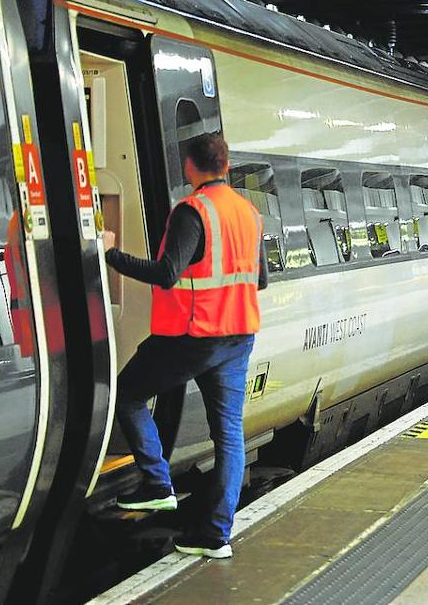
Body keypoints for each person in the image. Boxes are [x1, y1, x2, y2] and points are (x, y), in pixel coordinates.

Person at [102, 132, 267, 559]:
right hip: (238, 337)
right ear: (226, 166)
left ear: (190, 167)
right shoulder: (250, 213)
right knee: (228, 435)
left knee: (128, 394)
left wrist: (111, 254)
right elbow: (260, 280)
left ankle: (157, 485)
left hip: (193, 336)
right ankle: (215, 536)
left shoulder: (193, 211)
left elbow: (166, 273)